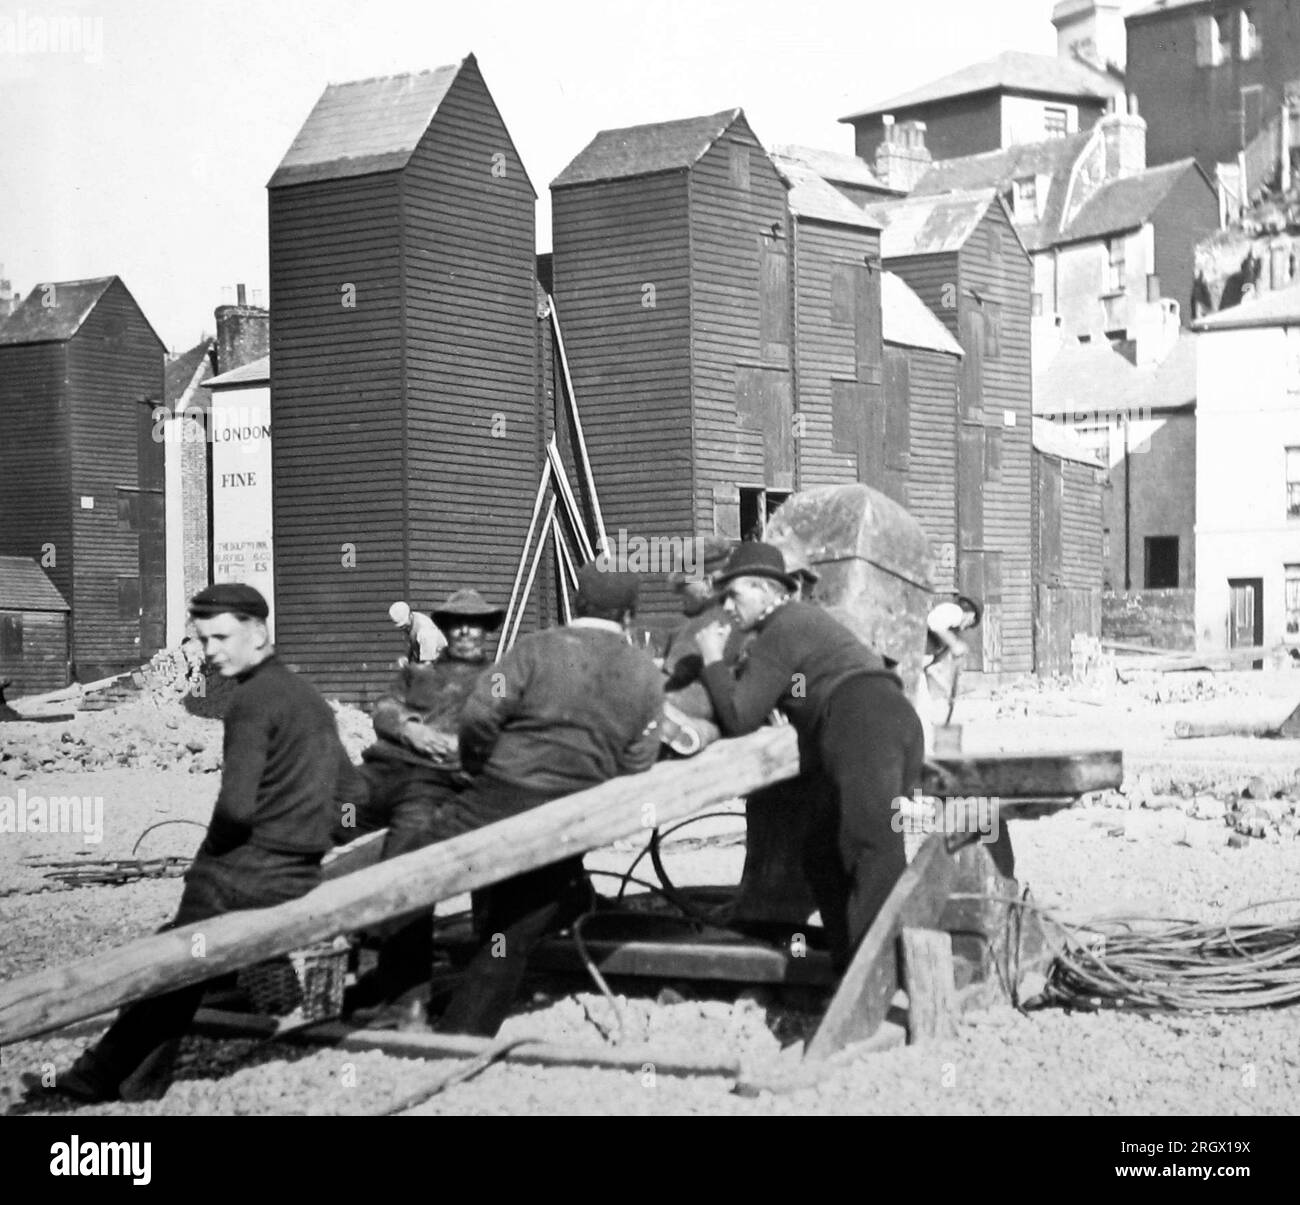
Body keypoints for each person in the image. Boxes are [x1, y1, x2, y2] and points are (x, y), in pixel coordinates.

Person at [32, 583, 348, 1103]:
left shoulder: (249, 701)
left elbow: (237, 808)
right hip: (297, 875)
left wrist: (214, 854)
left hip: (242, 877)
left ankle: (99, 1075)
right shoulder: (308, 697)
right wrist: (303, 840)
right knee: (186, 952)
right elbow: (352, 800)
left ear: (259, 632)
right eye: (203, 641)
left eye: (221, 637)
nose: (210, 652)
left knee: (171, 958)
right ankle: (143, 1072)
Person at [435, 561, 664, 1036]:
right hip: (570, 814)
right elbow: (640, 760)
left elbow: (480, 712)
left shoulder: (534, 648)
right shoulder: (645, 674)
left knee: (410, 871)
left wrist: (479, 765)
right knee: (514, 929)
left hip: (498, 793)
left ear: (576, 603)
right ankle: (465, 1030)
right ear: (629, 614)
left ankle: (397, 992)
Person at [695, 542, 924, 972]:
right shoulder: (802, 622)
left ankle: (874, 981)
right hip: (886, 721)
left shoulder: (781, 628)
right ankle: (847, 969)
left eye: (735, 594)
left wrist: (710, 661)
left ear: (766, 590)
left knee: (871, 851)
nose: (727, 606)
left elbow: (739, 716)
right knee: (822, 851)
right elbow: (799, 684)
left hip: (863, 724)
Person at [338, 588, 505, 1016]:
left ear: (488, 630)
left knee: (406, 866)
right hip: (381, 772)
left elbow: (514, 731)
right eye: (457, 624)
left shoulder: (500, 679)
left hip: (431, 784)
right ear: (445, 630)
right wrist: (410, 728)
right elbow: (384, 709)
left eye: (476, 624)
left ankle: (405, 1000)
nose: (467, 631)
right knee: (310, 819)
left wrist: (463, 747)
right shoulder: (419, 674)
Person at [388, 599, 446, 665]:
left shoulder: (425, 630)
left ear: (410, 615)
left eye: (404, 625)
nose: (403, 628)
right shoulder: (411, 622)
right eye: (401, 626)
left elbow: (427, 664)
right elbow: (413, 641)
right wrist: (407, 658)